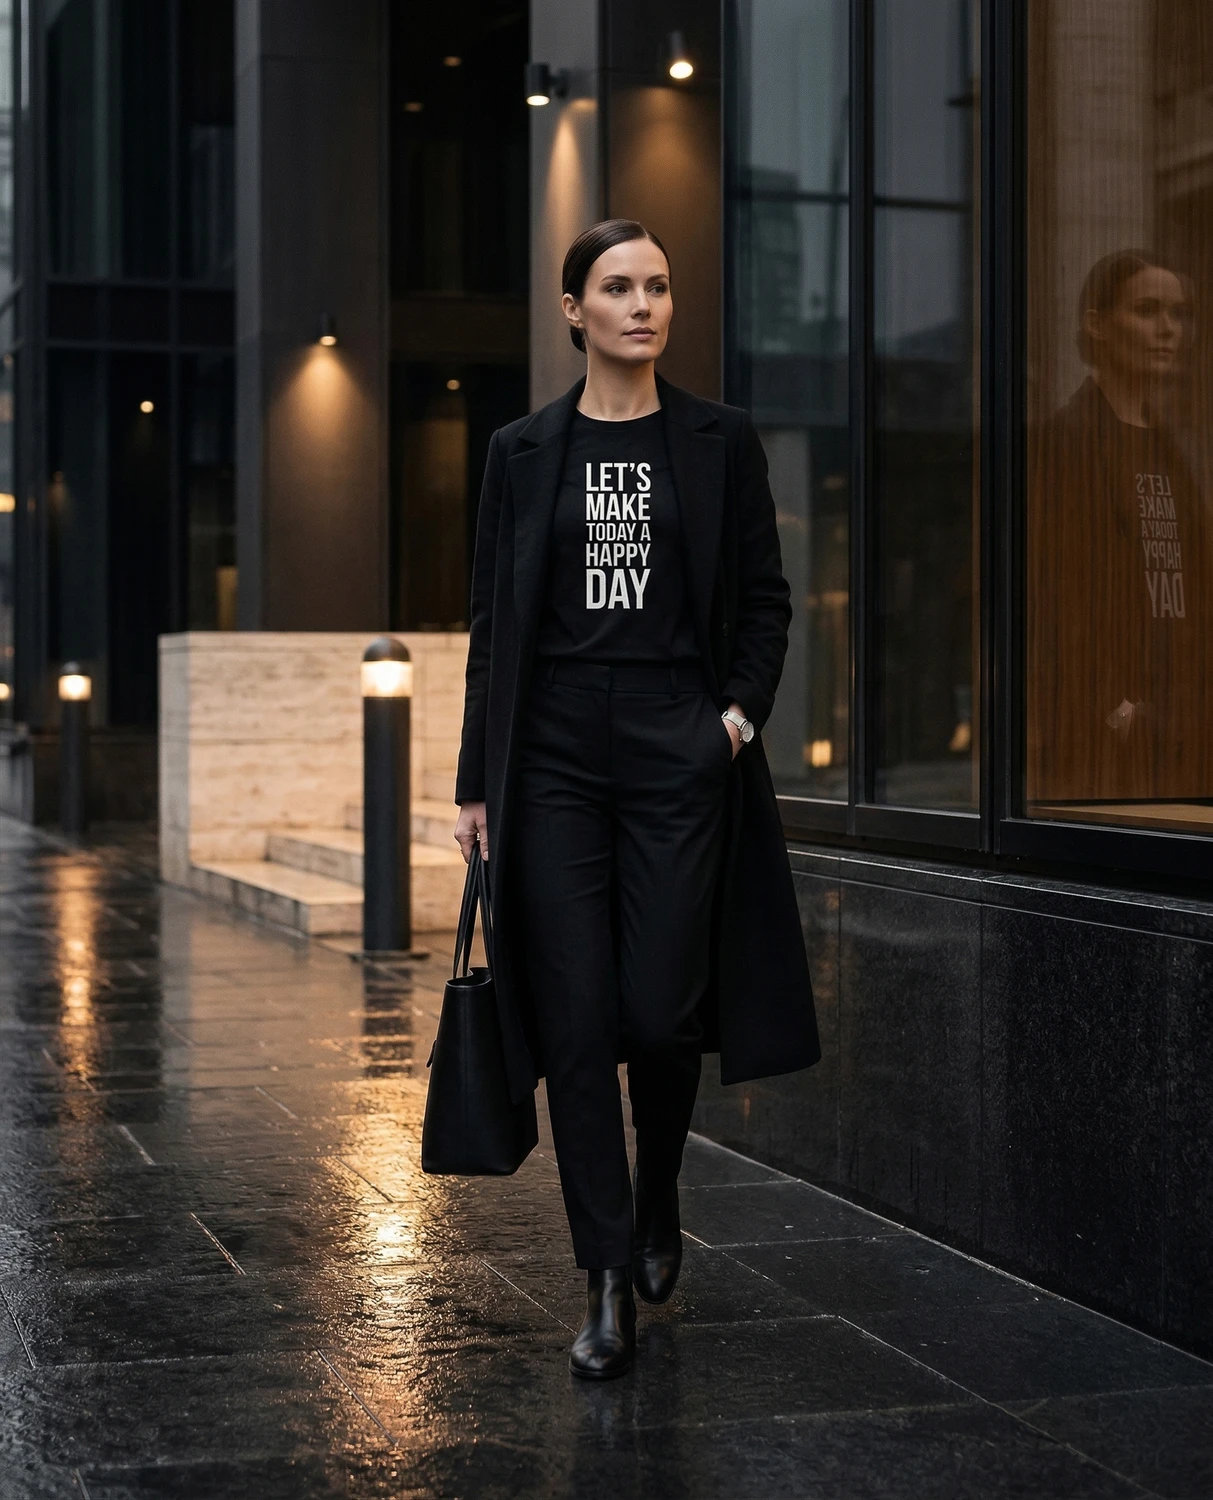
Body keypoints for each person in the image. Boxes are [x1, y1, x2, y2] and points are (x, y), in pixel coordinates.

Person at [452, 219, 819, 1380]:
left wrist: (730, 722)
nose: (642, 304)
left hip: (675, 744)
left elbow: (765, 604)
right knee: (573, 1023)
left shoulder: (718, 441)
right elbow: (489, 629)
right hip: (551, 753)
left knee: (660, 1012)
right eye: (617, 287)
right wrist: (475, 781)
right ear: (574, 311)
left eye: (657, 286)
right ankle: (603, 1275)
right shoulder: (520, 451)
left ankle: (657, 1183)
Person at [1028, 249, 1213, 809]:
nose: (1168, 331)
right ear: (1097, 325)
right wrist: (1112, 705)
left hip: (1183, 725)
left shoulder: (1171, 452)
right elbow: (1058, 592)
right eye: (1147, 311)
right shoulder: (1067, 443)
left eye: (1177, 314)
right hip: (1110, 740)